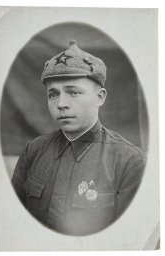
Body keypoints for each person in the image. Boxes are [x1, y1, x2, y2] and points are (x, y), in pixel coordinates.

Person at [11, 40, 146, 236]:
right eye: (53, 94)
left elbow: (129, 240)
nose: (61, 104)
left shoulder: (129, 161)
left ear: (100, 97)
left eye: (73, 92)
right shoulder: (33, 150)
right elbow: (14, 225)